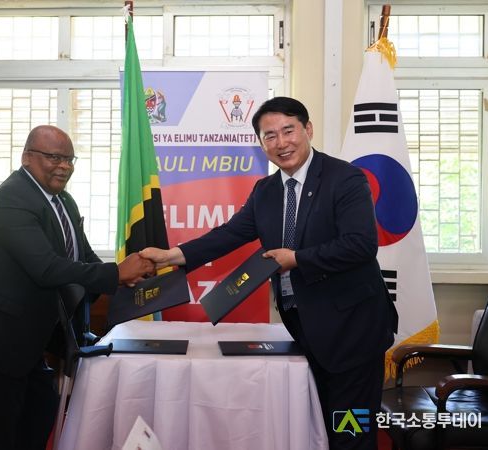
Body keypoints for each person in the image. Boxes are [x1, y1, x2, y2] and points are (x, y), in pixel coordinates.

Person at [141, 97, 398, 450]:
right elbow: (229, 234)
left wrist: (297, 259)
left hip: (352, 331)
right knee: (320, 429)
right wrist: (171, 256)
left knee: (350, 432)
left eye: (288, 131)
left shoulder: (344, 178)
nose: (281, 143)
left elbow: (360, 244)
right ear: (261, 144)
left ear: (308, 130)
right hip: (305, 327)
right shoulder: (266, 191)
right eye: (270, 136)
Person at [0, 125, 154, 450]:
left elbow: (82, 255)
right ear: (27, 157)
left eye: (69, 159)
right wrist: (116, 273)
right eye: (54, 157)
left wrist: (126, 276)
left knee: (40, 409)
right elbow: (46, 268)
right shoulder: (12, 196)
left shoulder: (64, 201)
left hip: (25, 334)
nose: (64, 166)